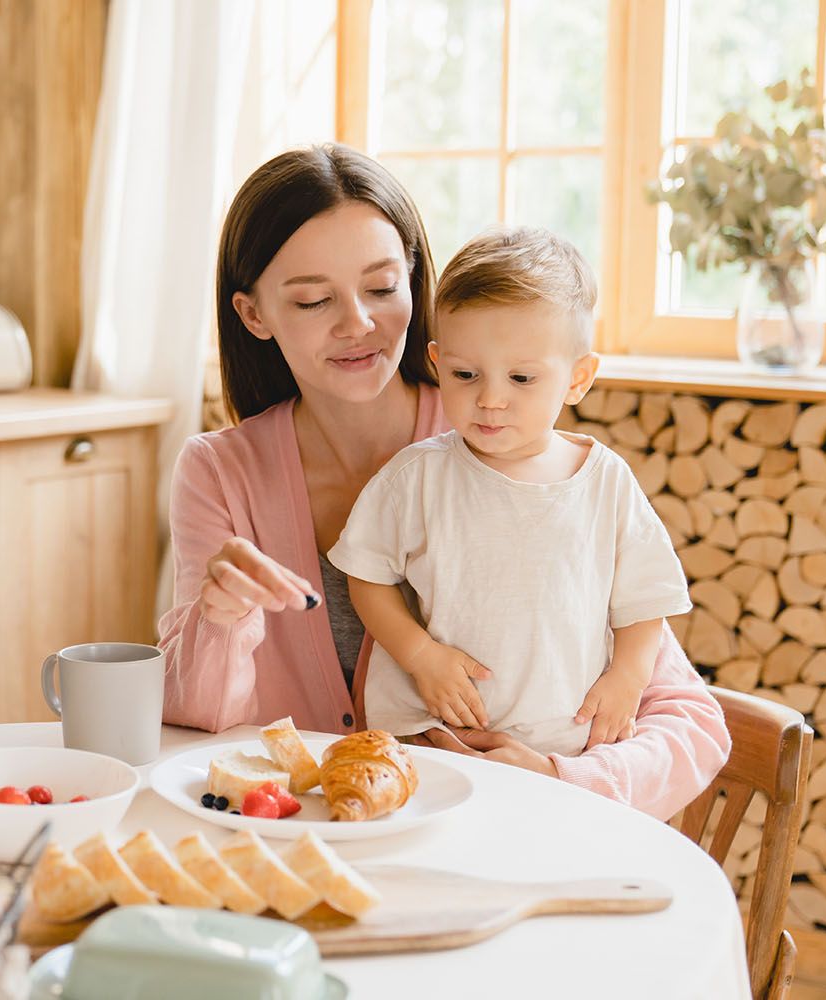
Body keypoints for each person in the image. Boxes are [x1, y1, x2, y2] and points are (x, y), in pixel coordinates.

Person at [160, 144, 729, 819]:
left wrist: (555, 777)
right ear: (254, 314)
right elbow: (191, 716)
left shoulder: (523, 448)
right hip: (305, 837)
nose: (358, 323)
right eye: (313, 300)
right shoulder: (219, 472)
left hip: (497, 833)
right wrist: (222, 618)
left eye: (380, 287)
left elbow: (692, 724)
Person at [330, 225, 692, 759]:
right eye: (466, 373)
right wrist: (421, 654)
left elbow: (645, 600)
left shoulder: (604, 482)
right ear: (437, 363)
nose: (491, 399)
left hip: (563, 744)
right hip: (437, 735)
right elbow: (366, 576)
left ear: (578, 378)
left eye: (521, 379)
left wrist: (629, 679)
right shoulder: (418, 478)